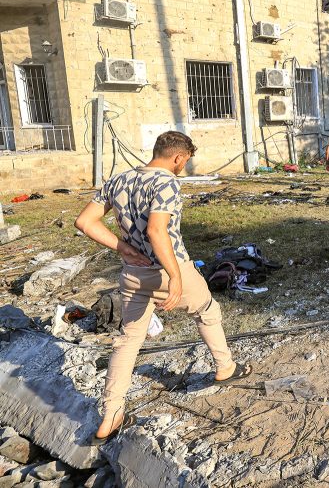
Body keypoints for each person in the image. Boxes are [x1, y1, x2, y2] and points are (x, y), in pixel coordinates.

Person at [74, 131, 249, 444]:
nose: (183, 167)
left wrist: (122, 248)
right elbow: (157, 230)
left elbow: (85, 222)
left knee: (128, 339)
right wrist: (176, 275)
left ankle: (111, 414)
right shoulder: (166, 181)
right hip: (168, 268)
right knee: (207, 310)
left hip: (132, 273)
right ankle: (225, 367)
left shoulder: (118, 180)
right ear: (178, 157)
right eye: (185, 162)